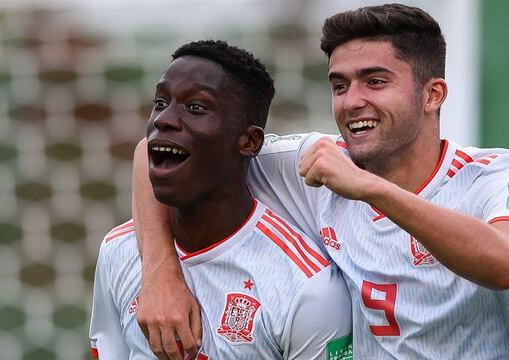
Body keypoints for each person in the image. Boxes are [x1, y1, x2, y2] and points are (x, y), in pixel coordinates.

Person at [133, 4, 509, 359]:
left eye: (375, 81)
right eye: (340, 84)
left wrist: (370, 189)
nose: (352, 101)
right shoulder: (320, 162)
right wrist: (159, 273)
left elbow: (507, 263)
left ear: (433, 95)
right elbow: (156, 151)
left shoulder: (501, 175)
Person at [89, 40, 352, 360]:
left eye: (196, 107)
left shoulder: (309, 291)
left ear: (250, 141)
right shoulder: (118, 250)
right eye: (160, 103)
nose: (163, 120)